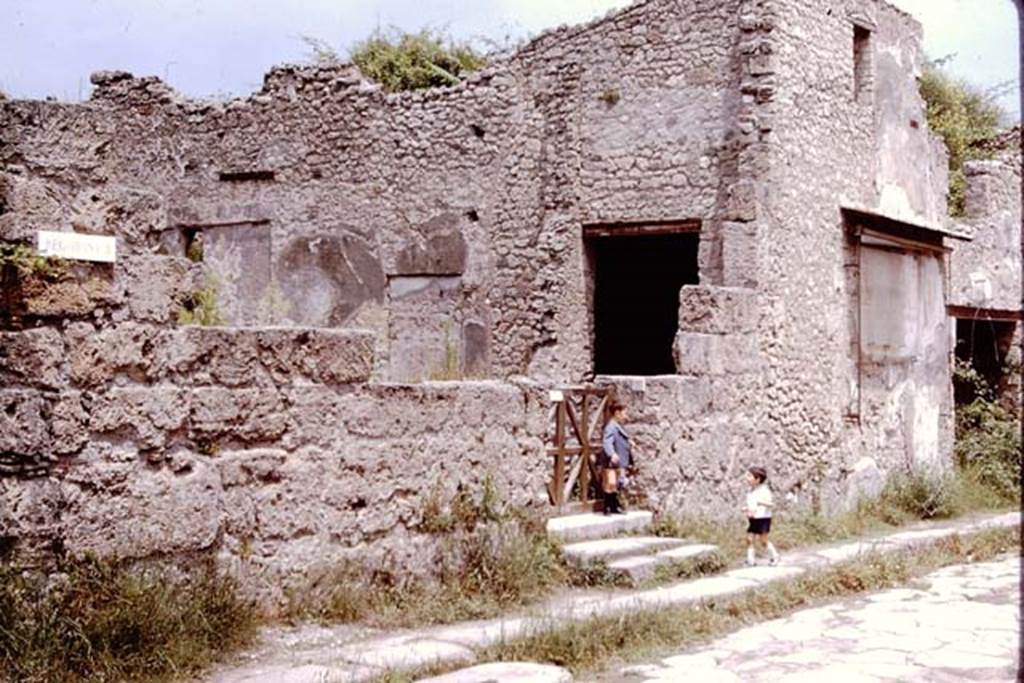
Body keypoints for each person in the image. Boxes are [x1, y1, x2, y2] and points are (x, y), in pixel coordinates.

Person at [743, 465, 780, 566]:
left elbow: (771, 504)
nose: (747, 478)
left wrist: (760, 503)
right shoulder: (750, 491)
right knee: (749, 538)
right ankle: (751, 560)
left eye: (750, 476)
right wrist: (746, 509)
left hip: (763, 518)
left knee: (763, 540)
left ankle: (774, 556)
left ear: (758, 479)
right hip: (753, 518)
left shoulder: (764, 491)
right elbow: (751, 504)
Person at [601, 401, 631, 515]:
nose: (625, 416)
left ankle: (614, 506)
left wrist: (629, 442)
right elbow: (607, 441)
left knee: (617, 483)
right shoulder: (611, 426)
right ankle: (607, 507)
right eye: (624, 413)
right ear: (617, 413)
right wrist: (612, 454)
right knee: (611, 483)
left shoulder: (617, 426)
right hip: (612, 460)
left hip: (619, 460)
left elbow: (621, 438)